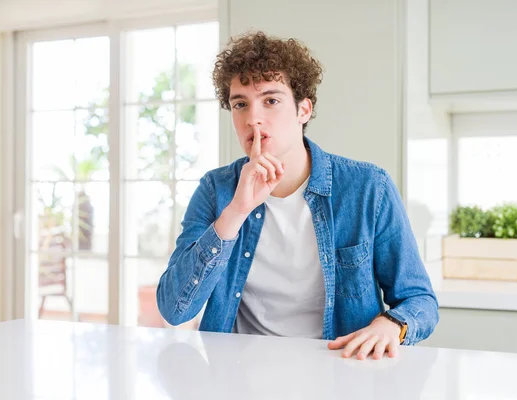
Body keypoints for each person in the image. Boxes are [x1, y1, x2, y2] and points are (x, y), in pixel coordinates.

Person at [157, 31, 438, 360]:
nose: (253, 118)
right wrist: (235, 212)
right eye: (240, 104)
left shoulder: (368, 188)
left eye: (271, 100)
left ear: (304, 109)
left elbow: (420, 300)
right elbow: (174, 309)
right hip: (233, 375)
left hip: (337, 369)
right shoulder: (215, 189)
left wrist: (391, 324)